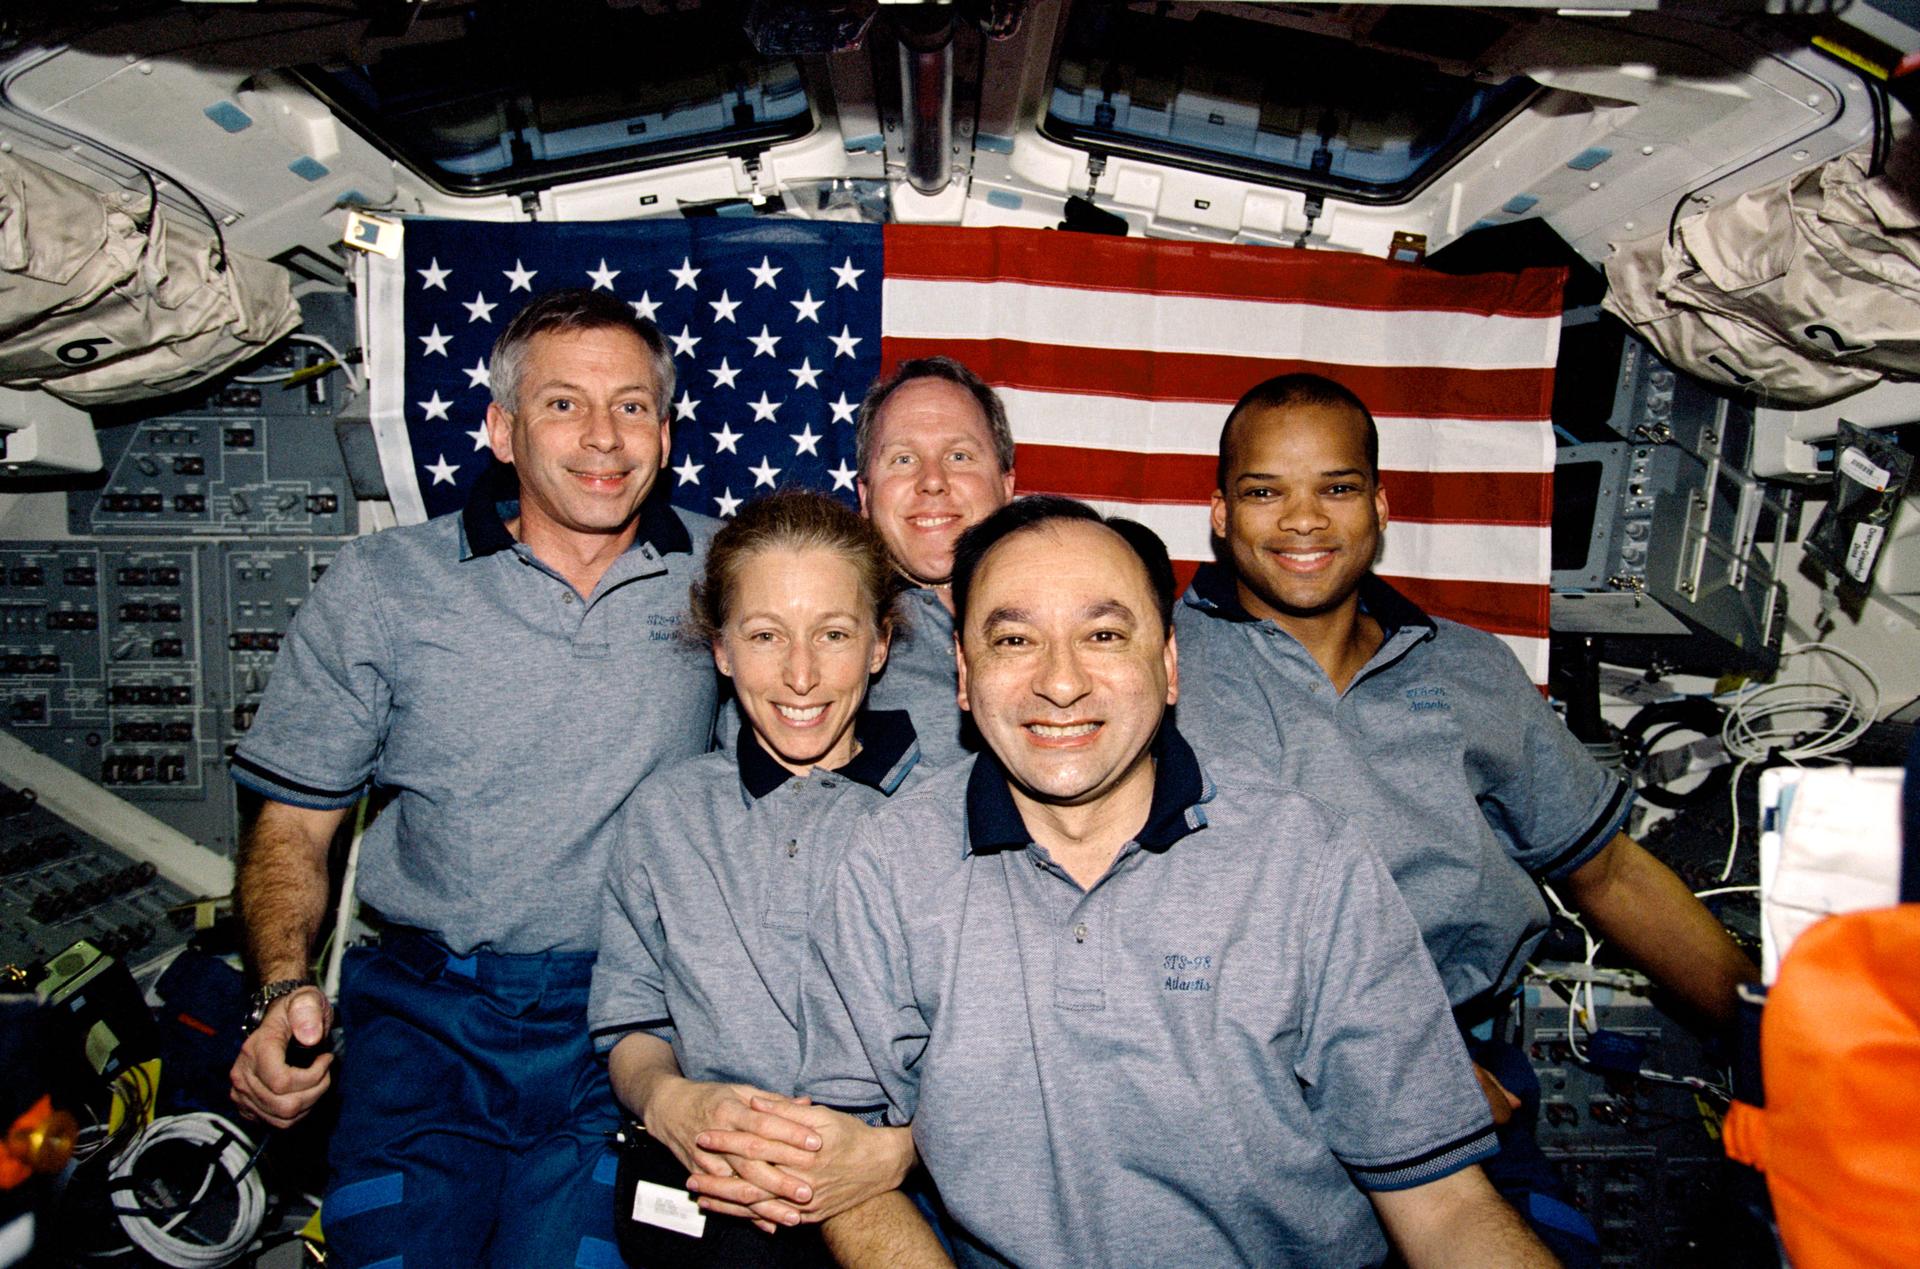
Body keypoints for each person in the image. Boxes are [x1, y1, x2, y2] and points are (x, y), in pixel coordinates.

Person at [797, 496, 1559, 1268]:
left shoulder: (1309, 864)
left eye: (1103, 635)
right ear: (964, 674)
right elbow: (851, 1174)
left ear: (1167, 666)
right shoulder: (890, 866)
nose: (1060, 682)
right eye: (1015, 639)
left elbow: (1446, 1204)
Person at [1175, 372, 1761, 1262]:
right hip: (1240, 1078)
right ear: (1220, 513)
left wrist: (1777, 1041)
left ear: (1379, 505)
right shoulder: (1157, 664)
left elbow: (1608, 873)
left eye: (1335, 487)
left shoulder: (1472, 670)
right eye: (1265, 491)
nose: (1303, 520)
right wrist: (1400, 1074)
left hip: (1475, 1071)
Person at [225, 289, 720, 1268]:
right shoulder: (383, 585)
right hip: (422, 1030)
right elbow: (294, 830)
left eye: (631, 406)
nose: (603, 437)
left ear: (664, 436)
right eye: (563, 404)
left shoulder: (727, 574)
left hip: (621, 1029)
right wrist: (280, 989)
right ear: (500, 429)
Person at [589, 490, 947, 1267]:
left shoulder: (948, 819)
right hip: (711, 1180)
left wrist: (897, 1152)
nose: (800, 674)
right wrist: (672, 1099)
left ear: (881, 643)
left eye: (834, 633)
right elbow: (631, 1021)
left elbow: (1003, 1058)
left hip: (898, 1183)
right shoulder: (669, 814)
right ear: (720, 648)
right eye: (764, 635)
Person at [853, 356, 1016, 765]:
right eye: (903, 459)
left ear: (1007, 485)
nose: (932, 481)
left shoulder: (1080, 618)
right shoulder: (819, 640)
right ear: (865, 497)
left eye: (959, 456)